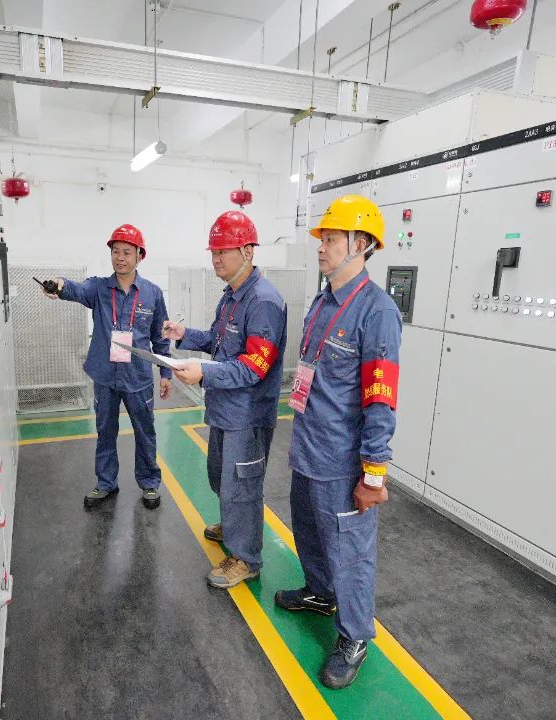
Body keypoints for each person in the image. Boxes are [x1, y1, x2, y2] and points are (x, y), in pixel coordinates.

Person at [274, 194, 401, 690]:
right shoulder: (324, 300)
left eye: (331, 239)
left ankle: (354, 637)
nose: (321, 247)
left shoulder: (377, 311)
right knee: (308, 531)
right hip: (309, 446)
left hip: (343, 460)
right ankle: (320, 593)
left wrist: (374, 475)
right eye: (322, 239)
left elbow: (380, 400)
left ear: (361, 243)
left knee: (350, 552)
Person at [163, 211, 287, 589]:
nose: (216, 259)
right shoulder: (231, 297)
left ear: (248, 251)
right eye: (214, 252)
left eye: (223, 251)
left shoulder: (264, 302)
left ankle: (246, 558)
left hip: (247, 415)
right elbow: (218, 342)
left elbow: (254, 367)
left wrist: (204, 373)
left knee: (242, 485)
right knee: (221, 476)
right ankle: (234, 526)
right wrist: (183, 334)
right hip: (224, 408)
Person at [41, 224, 172, 509]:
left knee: (145, 431)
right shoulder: (99, 288)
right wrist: (58, 284)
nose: (120, 258)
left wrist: (166, 373)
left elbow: (160, 336)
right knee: (105, 431)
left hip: (138, 376)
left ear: (140, 256)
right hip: (105, 376)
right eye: (116, 252)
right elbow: (74, 288)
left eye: (127, 252)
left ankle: (149, 482)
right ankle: (106, 483)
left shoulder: (152, 293)